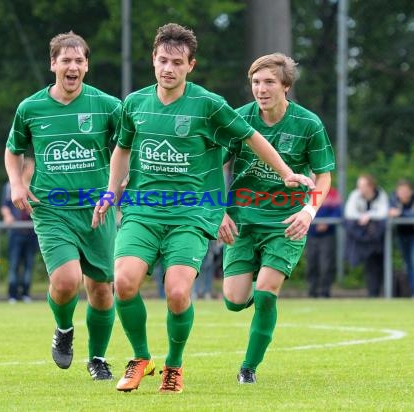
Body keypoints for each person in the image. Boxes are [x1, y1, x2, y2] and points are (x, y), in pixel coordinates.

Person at [93, 25, 313, 393]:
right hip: (143, 211)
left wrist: (287, 173)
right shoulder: (134, 103)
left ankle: (174, 366)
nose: (168, 68)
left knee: (178, 294)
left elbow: (251, 137)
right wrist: (110, 192)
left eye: (177, 62)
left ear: (190, 65)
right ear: (153, 59)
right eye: (163, 60)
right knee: (125, 283)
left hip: (191, 215)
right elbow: (122, 150)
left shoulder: (208, 105)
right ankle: (141, 358)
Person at [4, 31, 121, 380]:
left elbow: (125, 148)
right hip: (52, 208)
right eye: (65, 60)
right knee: (67, 280)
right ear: (53, 63)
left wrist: (120, 184)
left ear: (86, 66)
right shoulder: (31, 108)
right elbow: (14, 150)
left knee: (101, 289)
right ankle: (64, 329)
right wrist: (15, 183)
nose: (72, 66)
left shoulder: (108, 105)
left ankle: (98, 358)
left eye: (79, 60)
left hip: (97, 210)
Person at [218, 53, 335, 384]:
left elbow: (323, 176)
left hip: (287, 222)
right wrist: (219, 211)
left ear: (286, 86)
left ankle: (248, 368)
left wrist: (309, 211)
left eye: (269, 82)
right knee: (234, 301)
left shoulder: (308, 124)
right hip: (242, 221)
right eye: (255, 82)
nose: (261, 88)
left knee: (267, 291)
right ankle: (256, 294)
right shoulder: (238, 119)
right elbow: (213, 167)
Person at [0, 157, 38, 303]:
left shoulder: (36, 186)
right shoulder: (10, 186)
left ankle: (26, 293)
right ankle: (12, 294)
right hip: (16, 231)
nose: (34, 170)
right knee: (14, 263)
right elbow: (4, 205)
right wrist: (8, 216)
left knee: (29, 263)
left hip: (31, 231)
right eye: (32, 168)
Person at [344, 174, 389, 297]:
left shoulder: (381, 195)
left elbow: (383, 213)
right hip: (360, 237)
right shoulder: (355, 195)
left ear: (371, 186)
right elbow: (349, 213)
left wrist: (368, 215)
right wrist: (362, 217)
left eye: (363, 186)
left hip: (375, 239)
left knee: (376, 266)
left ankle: (375, 293)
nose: (360, 189)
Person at [306, 176, 342, 298]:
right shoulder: (307, 192)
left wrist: (327, 223)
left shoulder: (332, 193)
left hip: (327, 235)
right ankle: (312, 291)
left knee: (326, 264)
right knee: (312, 263)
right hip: (310, 234)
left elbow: (338, 212)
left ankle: (325, 291)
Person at [389, 179, 414, 298]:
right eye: (401, 191)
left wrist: (401, 213)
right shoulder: (393, 199)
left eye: (405, 191)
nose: (403, 193)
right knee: (407, 264)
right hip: (401, 235)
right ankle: (409, 292)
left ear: (411, 191)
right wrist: (407, 215)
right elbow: (389, 212)